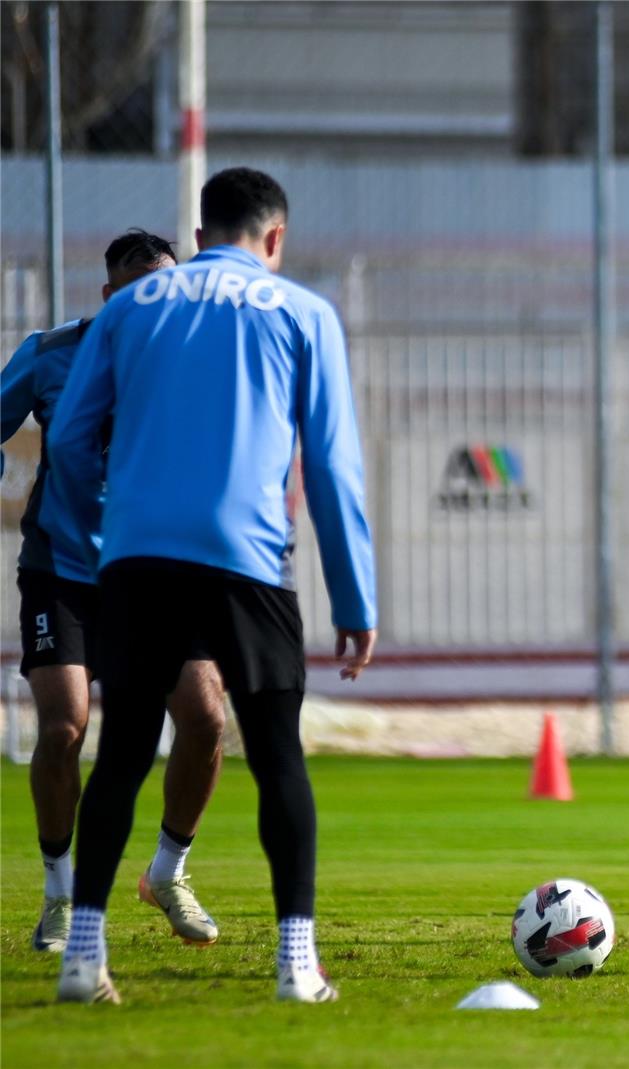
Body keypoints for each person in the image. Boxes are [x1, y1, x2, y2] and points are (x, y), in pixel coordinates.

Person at [45, 167, 377, 1005]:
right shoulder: (303, 312)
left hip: (138, 561)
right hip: (249, 562)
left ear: (196, 239)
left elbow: (74, 442)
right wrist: (354, 597)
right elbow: (332, 466)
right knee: (277, 757)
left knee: (120, 755)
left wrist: (95, 545)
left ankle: (84, 954)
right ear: (275, 239)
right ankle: (296, 963)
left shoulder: (129, 308)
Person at [1, 230, 225, 955]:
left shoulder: (196, 365)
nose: (146, 304)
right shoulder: (50, 352)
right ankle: (60, 893)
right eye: (131, 290)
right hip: (62, 571)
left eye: (159, 290)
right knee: (65, 727)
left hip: (160, 572)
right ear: (107, 296)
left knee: (205, 718)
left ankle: (168, 872)